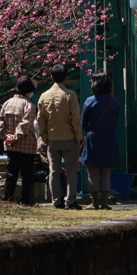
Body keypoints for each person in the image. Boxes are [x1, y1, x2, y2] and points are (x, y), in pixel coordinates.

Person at [36, 64, 83, 210]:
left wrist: (44, 136)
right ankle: (70, 200)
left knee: (54, 171)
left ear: (51, 77)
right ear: (66, 77)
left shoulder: (44, 96)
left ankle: (56, 200)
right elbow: (75, 118)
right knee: (71, 171)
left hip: (52, 139)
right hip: (69, 138)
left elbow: (40, 119)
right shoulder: (70, 95)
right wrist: (78, 136)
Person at [80, 72, 121, 210]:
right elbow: (115, 121)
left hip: (93, 139)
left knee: (93, 173)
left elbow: (83, 123)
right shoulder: (114, 101)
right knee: (106, 173)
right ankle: (105, 202)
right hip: (109, 138)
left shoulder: (89, 101)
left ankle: (94, 202)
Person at [0, 75, 38, 205]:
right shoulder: (29, 105)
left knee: (11, 173)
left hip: (10, 146)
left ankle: (7, 198)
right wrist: (16, 136)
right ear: (29, 91)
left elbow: (0, 120)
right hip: (26, 146)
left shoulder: (7, 103)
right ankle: (25, 200)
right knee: (27, 175)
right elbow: (26, 123)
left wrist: (5, 136)